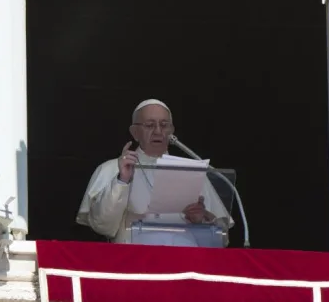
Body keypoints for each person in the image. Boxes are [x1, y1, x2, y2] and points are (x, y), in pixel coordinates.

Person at [76, 99, 233, 246]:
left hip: (184, 261)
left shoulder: (191, 171)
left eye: (164, 125)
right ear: (135, 132)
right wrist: (121, 181)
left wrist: (202, 220)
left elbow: (222, 239)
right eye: (150, 125)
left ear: (172, 131)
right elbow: (102, 225)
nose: (158, 131)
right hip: (135, 261)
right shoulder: (111, 168)